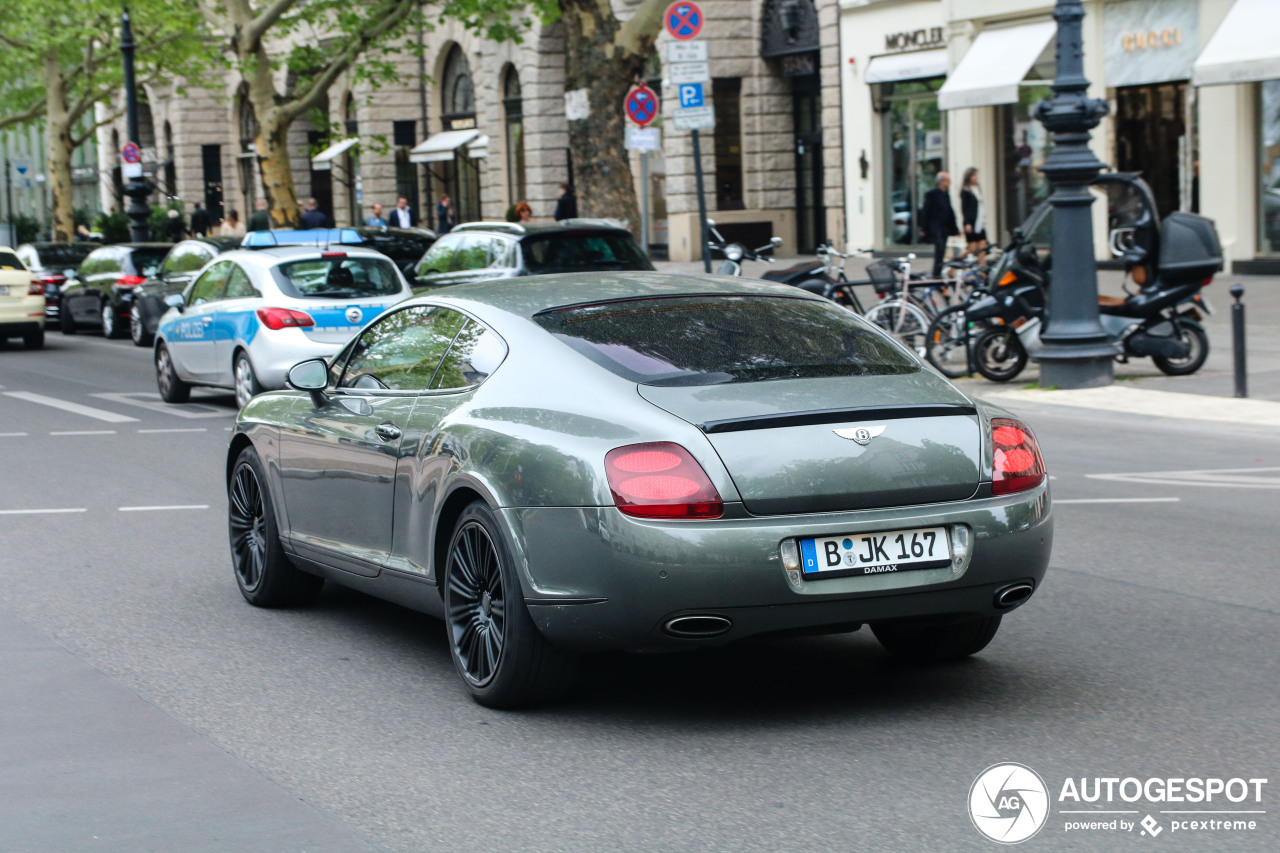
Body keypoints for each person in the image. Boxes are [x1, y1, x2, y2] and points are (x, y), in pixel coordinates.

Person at [920, 172, 958, 278]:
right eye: (947, 181)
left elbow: (950, 212)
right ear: (941, 182)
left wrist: (955, 229)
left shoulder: (946, 194)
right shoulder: (932, 194)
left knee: (942, 250)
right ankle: (936, 273)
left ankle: (938, 271)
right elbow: (926, 212)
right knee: (939, 249)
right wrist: (924, 228)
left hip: (944, 227)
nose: (949, 183)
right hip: (936, 227)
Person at [960, 167, 987, 261]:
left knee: (983, 248)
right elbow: (965, 208)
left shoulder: (977, 189)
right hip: (972, 222)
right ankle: (952, 266)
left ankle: (982, 271)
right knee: (972, 248)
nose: (976, 177)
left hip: (980, 223)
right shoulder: (966, 191)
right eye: (973, 175)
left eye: (976, 175)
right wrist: (967, 222)